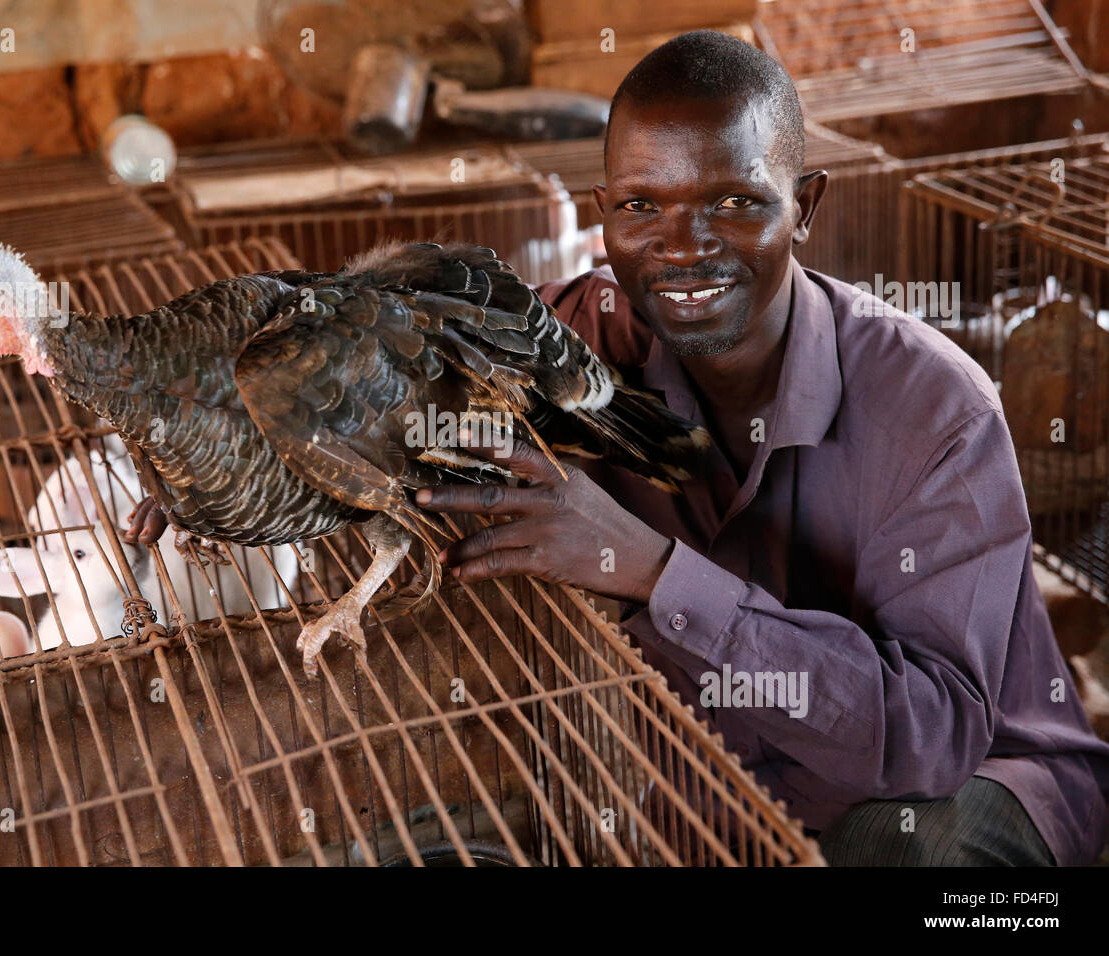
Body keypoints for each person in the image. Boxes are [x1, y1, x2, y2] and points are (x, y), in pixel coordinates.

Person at [415, 30, 1109, 865]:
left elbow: (926, 738)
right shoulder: (570, 344)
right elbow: (412, 344)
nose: (681, 245)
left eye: (736, 203)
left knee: (903, 844)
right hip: (721, 778)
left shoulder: (937, 410)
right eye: (642, 206)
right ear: (603, 215)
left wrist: (649, 570)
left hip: (957, 781)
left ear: (805, 206)